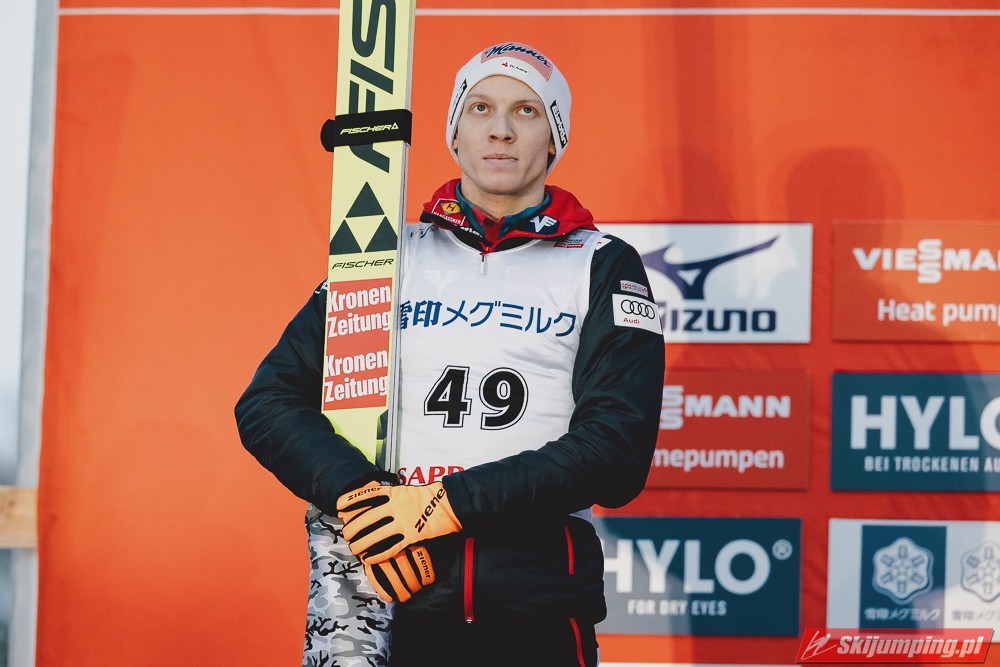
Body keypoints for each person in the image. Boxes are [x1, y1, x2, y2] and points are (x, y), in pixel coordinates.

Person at [235, 41, 664, 667]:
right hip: (395, 605)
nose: (500, 129)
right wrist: (364, 501)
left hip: (537, 610)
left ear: (554, 137)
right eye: (480, 108)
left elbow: (617, 452)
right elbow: (268, 402)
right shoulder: (385, 257)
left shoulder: (601, 263)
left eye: (526, 111)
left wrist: (444, 505)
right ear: (454, 134)